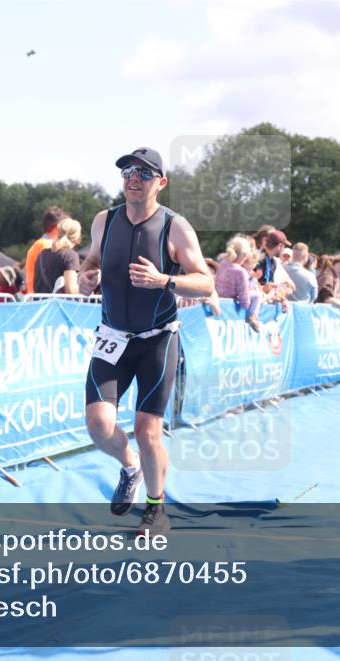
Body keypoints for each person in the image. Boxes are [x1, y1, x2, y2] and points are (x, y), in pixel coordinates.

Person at [77, 147, 213, 536]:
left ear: (161, 183)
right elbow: (92, 262)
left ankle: (156, 509)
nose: (134, 178)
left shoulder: (175, 226)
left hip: (157, 340)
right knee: (98, 424)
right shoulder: (104, 220)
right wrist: (88, 277)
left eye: (144, 173)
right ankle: (130, 467)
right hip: (113, 339)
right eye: (128, 172)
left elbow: (205, 282)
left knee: (146, 429)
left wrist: (164, 281)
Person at [215, 235, 261, 331]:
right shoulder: (240, 272)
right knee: (257, 296)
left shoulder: (222, 263)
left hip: (218, 301)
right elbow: (245, 303)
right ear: (244, 255)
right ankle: (252, 317)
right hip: (229, 306)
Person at [23, 206, 69, 294]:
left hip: (37, 297)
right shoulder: (46, 245)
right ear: (57, 226)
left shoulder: (40, 244)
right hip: (41, 298)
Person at [34, 218, 82, 294]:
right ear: (77, 238)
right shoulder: (70, 256)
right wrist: (89, 289)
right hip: (58, 305)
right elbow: (71, 291)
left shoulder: (42, 254)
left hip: (40, 304)